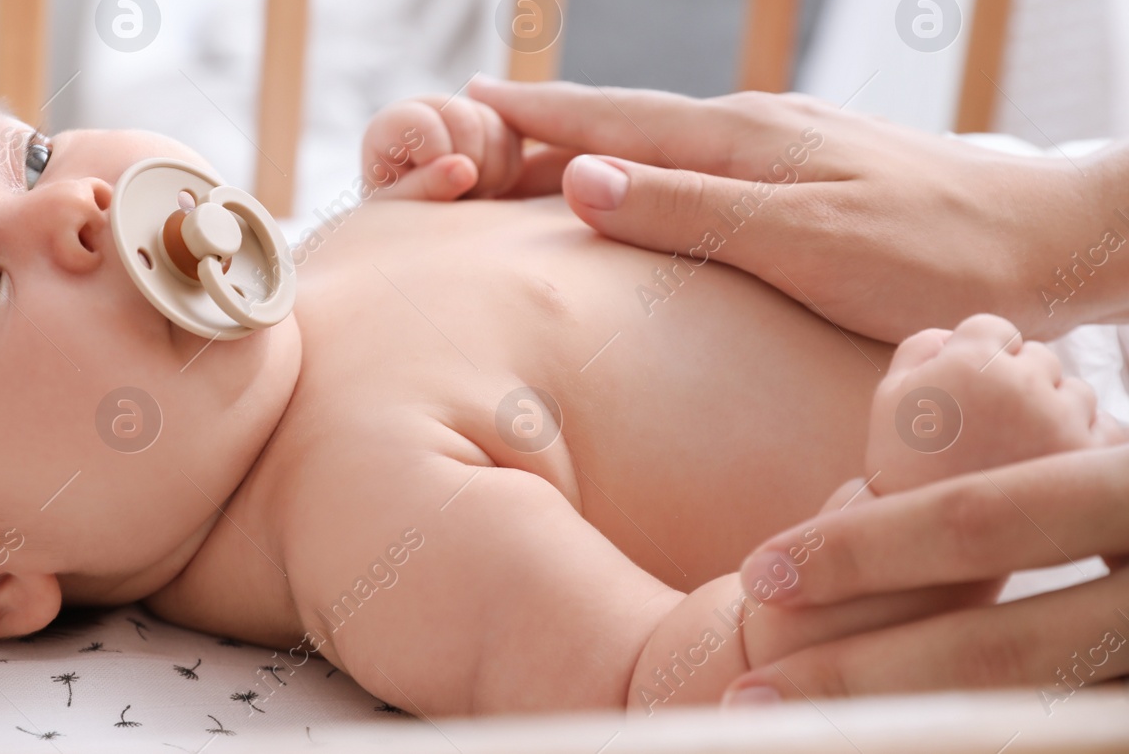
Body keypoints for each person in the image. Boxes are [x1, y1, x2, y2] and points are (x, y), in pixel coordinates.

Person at [0, 88, 1118, 716]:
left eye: (21, 152)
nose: (77, 208)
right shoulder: (366, 511)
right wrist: (924, 509)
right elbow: (669, 687)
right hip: (1023, 488)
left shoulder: (317, 268)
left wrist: (469, 191)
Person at [468, 74, 1129, 703]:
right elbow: (642, 689)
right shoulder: (380, 457)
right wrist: (916, 503)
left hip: (1036, 230)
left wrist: (467, 159)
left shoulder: (392, 245)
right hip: (1050, 521)